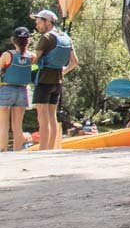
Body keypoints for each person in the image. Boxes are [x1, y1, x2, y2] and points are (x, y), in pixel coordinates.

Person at [30, 9, 78, 151]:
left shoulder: (46, 38)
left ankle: (43, 150)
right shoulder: (66, 37)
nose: (37, 26)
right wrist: (63, 71)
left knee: (42, 118)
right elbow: (75, 61)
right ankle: (51, 149)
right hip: (57, 82)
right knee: (52, 117)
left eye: (39, 23)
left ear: (48, 22)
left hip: (43, 81)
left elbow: (34, 59)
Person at [0, 26, 34, 151]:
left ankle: (2, 151)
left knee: (3, 125)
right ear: (28, 40)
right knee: (17, 126)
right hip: (22, 90)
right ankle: (17, 151)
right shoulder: (31, 56)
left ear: (13, 40)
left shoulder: (7, 55)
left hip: (6, 90)